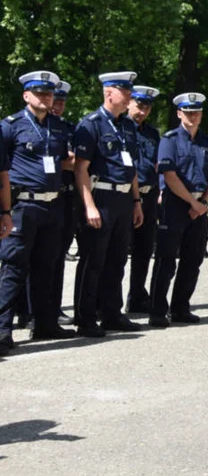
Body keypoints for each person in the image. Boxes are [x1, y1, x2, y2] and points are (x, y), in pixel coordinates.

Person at [0, 71, 75, 352]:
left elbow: (68, 161)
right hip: (22, 206)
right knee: (13, 268)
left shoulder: (59, 127)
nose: (47, 98)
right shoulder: (10, 126)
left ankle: (44, 324)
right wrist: (4, 211)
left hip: (52, 205)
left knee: (48, 268)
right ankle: (2, 329)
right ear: (26, 96)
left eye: (50, 93)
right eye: (40, 93)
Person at [72, 71, 144, 336]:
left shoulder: (127, 126)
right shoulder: (90, 124)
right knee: (94, 260)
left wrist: (136, 200)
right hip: (100, 196)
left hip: (124, 198)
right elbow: (81, 169)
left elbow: (132, 166)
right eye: (126, 93)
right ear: (110, 93)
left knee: (117, 260)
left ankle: (112, 313)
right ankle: (86, 317)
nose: (129, 99)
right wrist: (89, 205)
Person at [148, 93, 208, 328]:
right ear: (179, 114)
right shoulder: (170, 139)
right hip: (176, 204)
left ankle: (180, 308)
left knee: (193, 260)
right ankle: (157, 310)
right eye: (188, 112)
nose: (193, 116)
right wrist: (192, 203)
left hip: (200, 206)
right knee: (166, 260)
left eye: (196, 112)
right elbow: (169, 175)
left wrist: (204, 202)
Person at [126, 85, 161, 313]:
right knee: (116, 252)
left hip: (149, 195)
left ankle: (137, 295)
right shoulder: (121, 128)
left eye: (147, 107)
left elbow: (157, 164)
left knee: (144, 249)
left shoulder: (152, 133)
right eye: (139, 106)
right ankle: (103, 301)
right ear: (129, 102)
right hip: (124, 196)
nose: (142, 111)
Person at [51, 81, 77, 325]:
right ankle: (26, 308)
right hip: (43, 195)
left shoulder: (68, 129)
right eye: (54, 100)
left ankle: (53, 306)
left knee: (59, 255)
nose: (57, 106)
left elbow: (77, 161)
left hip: (66, 196)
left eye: (61, 102)